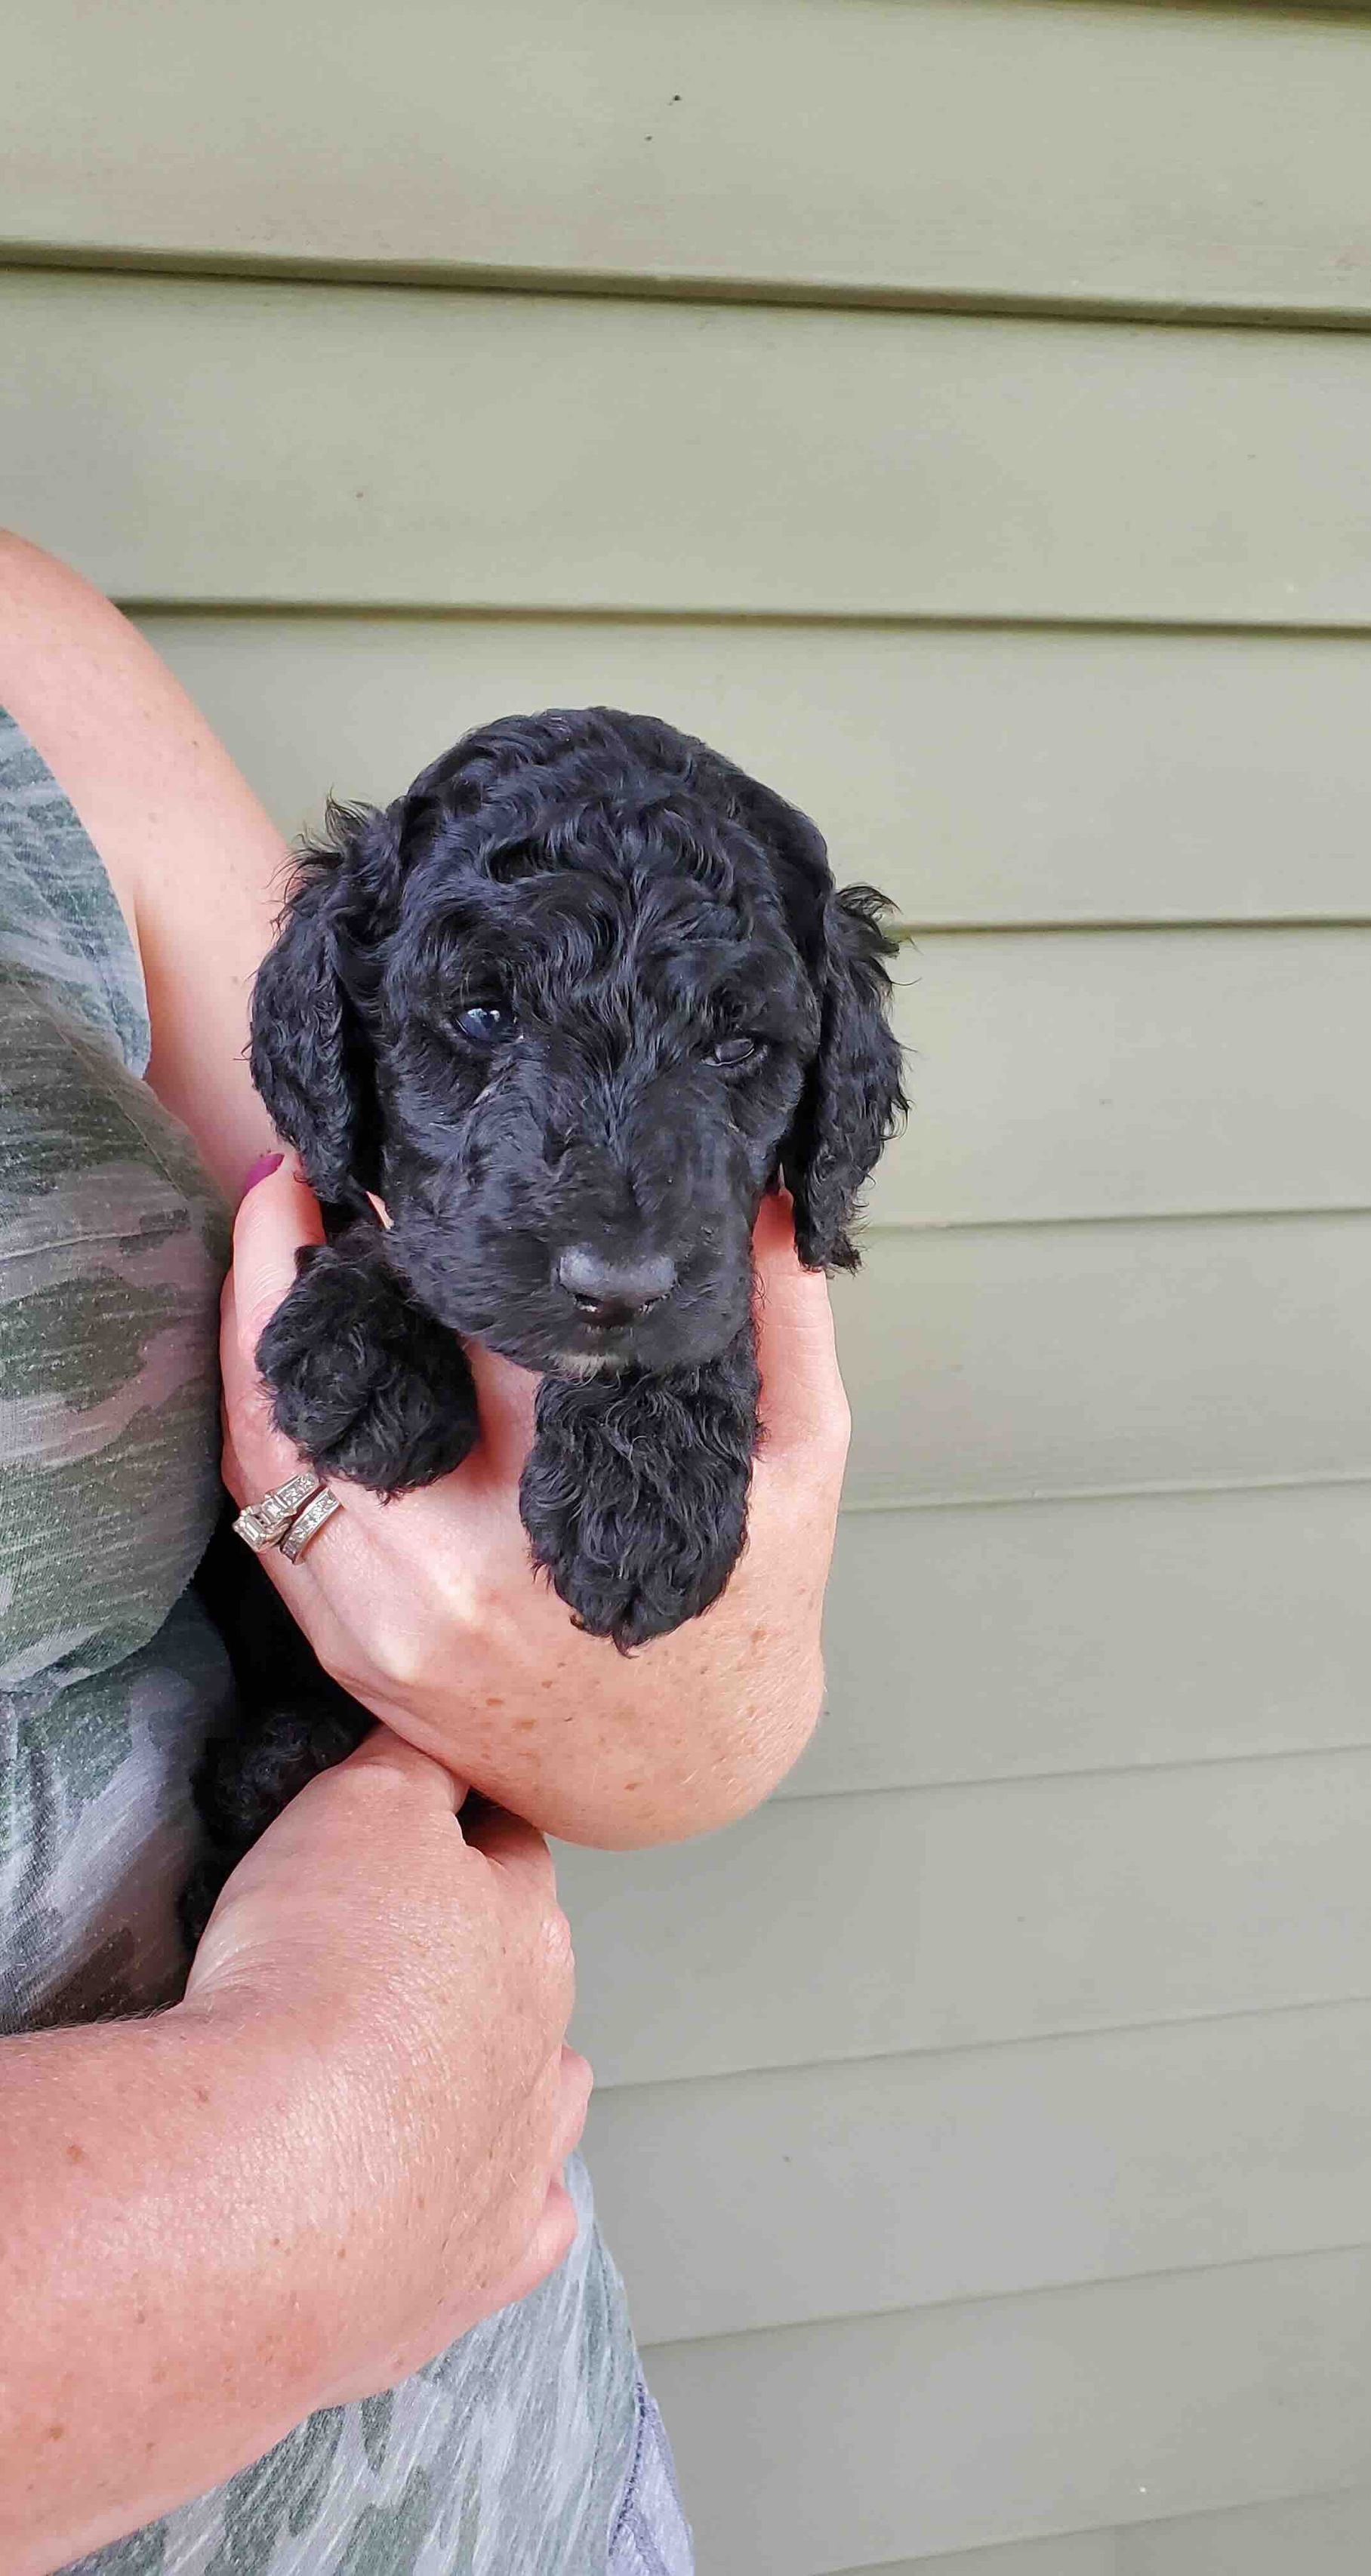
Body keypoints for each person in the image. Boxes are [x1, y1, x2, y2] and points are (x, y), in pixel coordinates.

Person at [0, 533, 851, 2575]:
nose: (614, 1202)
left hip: (531, 2481)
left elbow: (685, 1709)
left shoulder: (37, 665)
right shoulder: (335, 964)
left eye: (736, 1056)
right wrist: (293, 2187)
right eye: (480, 1010)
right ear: (361, 1011)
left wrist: (619, 1675)